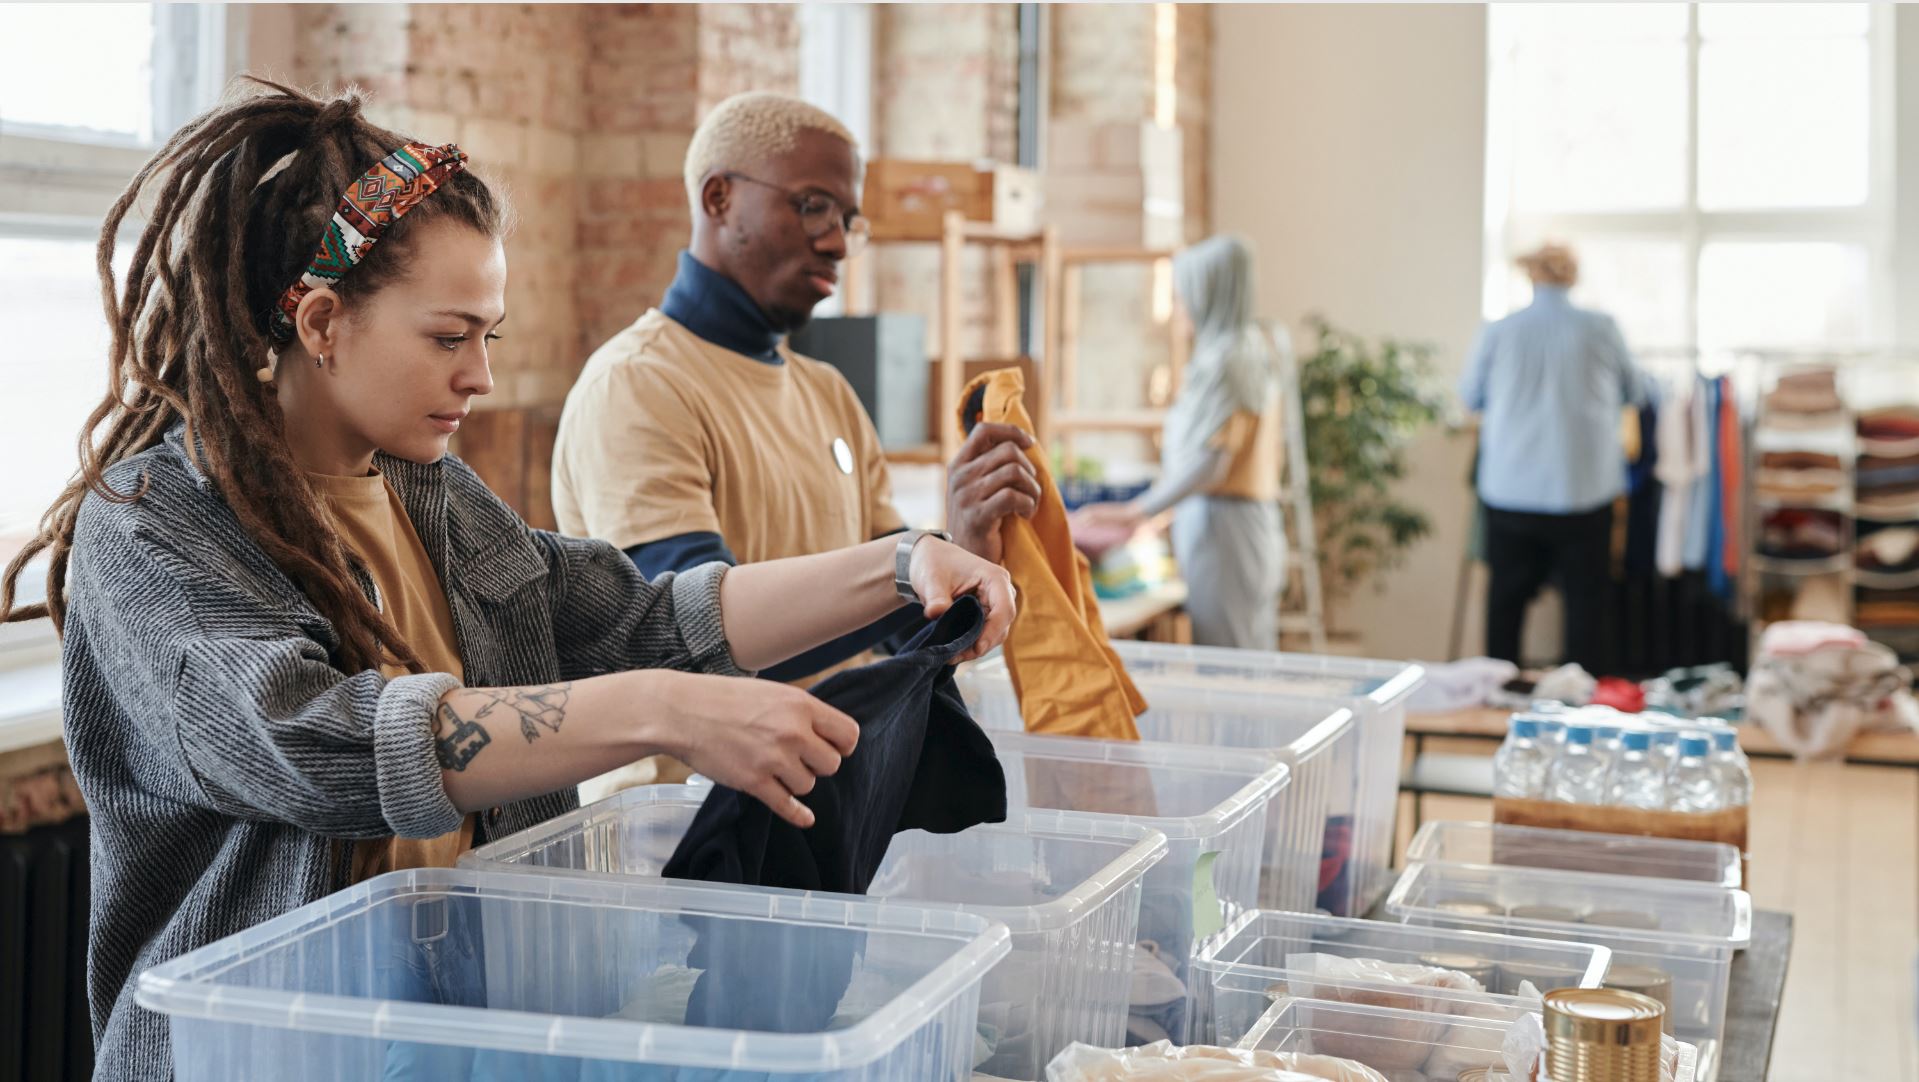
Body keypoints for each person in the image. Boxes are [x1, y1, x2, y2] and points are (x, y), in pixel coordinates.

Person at [0, 81, 1015, 1078]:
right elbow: (316, 741)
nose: (479, 375)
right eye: (449, 336)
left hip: (468, 1030)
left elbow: (639, 616)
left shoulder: (429, 493)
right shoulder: (153, 529)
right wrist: (662, 710)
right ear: (319, 321)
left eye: (488, 335)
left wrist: (898, 565)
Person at [551, 92, 1041, 689]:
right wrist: (909, 562)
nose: (836, 243)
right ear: (719, 198)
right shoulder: (638, 385)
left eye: (847, 222)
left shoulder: (829, 392)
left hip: (825, 773)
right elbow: (688, 647)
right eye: (814, 207)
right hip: (689, 783)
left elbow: (896, 634)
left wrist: (959, 553)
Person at [1070, 235, 1287, 650]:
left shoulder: (1230, 358)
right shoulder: (1245, 350)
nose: (1178, 309)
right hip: (1232, 524)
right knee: (1243, 654)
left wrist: (1135, 511)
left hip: (1226, 529)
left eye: (1184, 297)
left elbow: (1211, 462)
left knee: (1231, 662)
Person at [1459, 242, 1652, 671]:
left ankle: (1498, 699)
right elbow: (1635, 393)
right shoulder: (1601, 328)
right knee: (1587, 608)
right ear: (1573, 276)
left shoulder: (1499, 330)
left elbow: (1470, 396)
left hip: (1511, 489)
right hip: (1583, 490)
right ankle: (1585, 711)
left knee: (1505, 605)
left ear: (1531, 275)